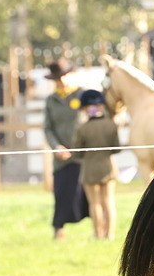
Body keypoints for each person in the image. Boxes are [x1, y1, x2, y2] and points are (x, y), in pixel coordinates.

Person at [42, 59, 89, 239]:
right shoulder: (50, 101)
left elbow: (94, 118)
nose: (61, 81)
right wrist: (56, 147)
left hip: (83, 155)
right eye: (57, 78)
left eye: (64, 76)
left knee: (88, 194)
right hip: (61, 157)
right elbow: (47, 128)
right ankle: (58, 230)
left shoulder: (83, 94)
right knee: (61, 192)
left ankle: (99, 231)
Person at [71, 89, 121, 239]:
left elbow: (77, 152)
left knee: (95, 204)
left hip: (90, 168)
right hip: (108, 166)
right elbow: (117, 148)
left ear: (85, 108)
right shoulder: (111, 125)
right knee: (109, 201)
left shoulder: (82, 128)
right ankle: (110, 234)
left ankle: (98, 234)